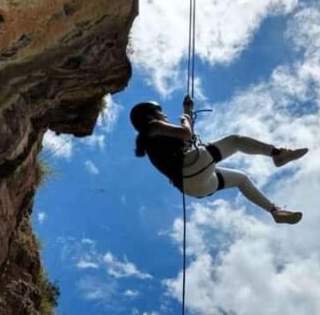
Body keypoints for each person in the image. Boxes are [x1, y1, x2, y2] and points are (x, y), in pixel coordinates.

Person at [129, 96, 308, 224]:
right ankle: (277, 153)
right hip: (191, 167)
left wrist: (187, 111)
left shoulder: (155, 140)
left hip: (193, 187)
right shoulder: (151, 126)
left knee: (241, 179)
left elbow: (185, 137)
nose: (165, 117)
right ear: (150, 116)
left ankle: (275, 211)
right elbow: (186, 133)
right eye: (162, 113)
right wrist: (185, 119)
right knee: (235, 141)